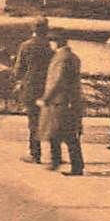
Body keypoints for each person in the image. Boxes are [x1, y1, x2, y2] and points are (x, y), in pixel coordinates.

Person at [40, 34, 85, 176]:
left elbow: (58, 80)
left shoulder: (62, 58)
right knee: (56, 132)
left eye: (51, 42)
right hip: (68, 100)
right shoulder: (72, 56)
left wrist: (46, 98)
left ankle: (76, 167)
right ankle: (56, 160)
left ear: (56, 43)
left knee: (68, 134)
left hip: (60, 101)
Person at [10, 18, 52, 163]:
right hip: (46, 88)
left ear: (32, 29)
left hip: (30, 87)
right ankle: (54, 154)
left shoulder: (26, 46)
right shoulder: (48, 47)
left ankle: (35, 153)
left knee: (33, 122)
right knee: (47, 119)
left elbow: (18, 70)